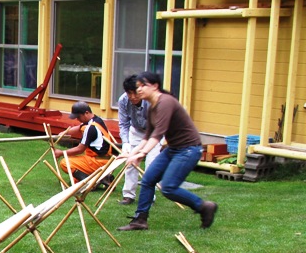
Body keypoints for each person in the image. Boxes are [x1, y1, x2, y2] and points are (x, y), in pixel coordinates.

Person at [118, 70, 217, 232]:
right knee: (149, 180)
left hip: (189, 149)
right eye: (138, 86)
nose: (139, 89)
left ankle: (204, 206)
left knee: (169, 188)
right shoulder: (152, 108)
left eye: (143, 85)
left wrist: (142, 154)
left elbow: (158, 134)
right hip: (173, 149)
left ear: (155, 86)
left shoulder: (166, 102)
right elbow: (147, 135)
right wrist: (135, 153)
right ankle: (140, 220)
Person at [52, 101, 117, 189]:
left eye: (78, 117)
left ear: (86, 113)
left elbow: (80, 149)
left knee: (65, 163)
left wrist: (61, 153)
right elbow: (79, 127)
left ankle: (90, 183)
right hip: (104, 159)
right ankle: (100, 177)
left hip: (97, 162)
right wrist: (64, 133)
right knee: (75, 173)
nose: (77, 119)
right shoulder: (97, 120)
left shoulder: (90, 128)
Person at [116, 75, 159, 205]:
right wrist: (126, 143)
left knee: (151, 164)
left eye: (135, 93)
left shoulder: (151, 101)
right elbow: (123, 124)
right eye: (130, 93)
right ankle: (128, 195)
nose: (133, 97)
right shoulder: (123, 100)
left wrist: (143, 150)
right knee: (130, 162)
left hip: (154, 133)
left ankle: (149, 197)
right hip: (135, 131)